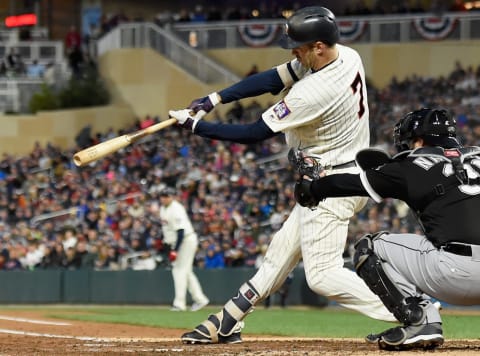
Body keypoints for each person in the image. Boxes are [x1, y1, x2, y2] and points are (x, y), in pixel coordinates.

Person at [169, 6, 395, 344]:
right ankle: (229, 320)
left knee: (322, 275)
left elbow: (253, 133)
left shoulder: (315, 90)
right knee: (278, 256)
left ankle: (409, 310)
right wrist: (215, 98)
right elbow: (273, 78)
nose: (293, 51)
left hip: (334, 183)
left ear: (319, 46)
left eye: (299, 46)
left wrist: (197, 126)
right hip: (331, 177)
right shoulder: (346, 55)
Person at [293, 107, 480, 350]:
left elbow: (348, 184)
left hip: (456, 274)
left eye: (408, 142)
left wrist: (313, 187)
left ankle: (421, 321)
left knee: (369, 248)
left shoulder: (413, 165)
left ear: (419, 140)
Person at [158, 187, 210, 312]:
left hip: (186, 240)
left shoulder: (176, 208)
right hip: (176, 242)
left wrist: (175, 250)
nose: (164, 198)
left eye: (167, 196)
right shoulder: (163, 209)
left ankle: (179, 303)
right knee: (186, 271)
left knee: (179, 271)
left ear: (172, 197)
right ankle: (200, 299)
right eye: (163, 196)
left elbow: (181, 231)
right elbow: (167, 230)